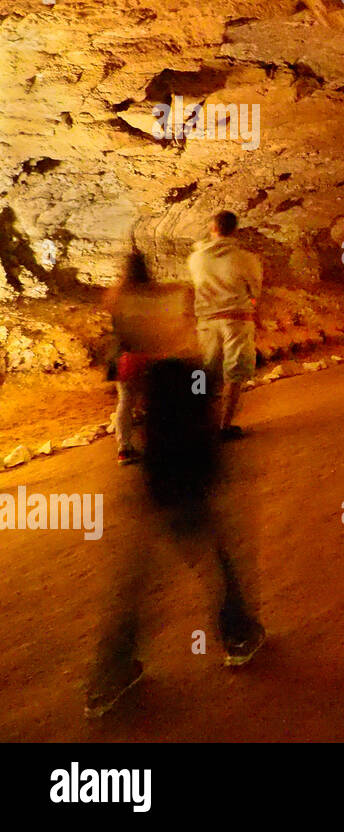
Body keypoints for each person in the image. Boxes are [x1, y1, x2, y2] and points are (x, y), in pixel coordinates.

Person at [85, 358, 265, 718]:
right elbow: (201, 420)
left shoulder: (152, 370)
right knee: (216, 555)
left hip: (157, 478)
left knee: (138, 579)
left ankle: (111, 673)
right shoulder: (190, 372)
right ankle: (238, 633)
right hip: (187, 477)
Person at [105, 251, 191, 465]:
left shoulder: (117, 295)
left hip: (125, 356)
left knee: (125, 401)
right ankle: (163, 444)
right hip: (150, 355)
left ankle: (124, 447)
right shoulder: (153, 294)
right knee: (156, 401)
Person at [188, 212, 262, 440]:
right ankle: (224, 426)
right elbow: (255, 291)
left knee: (204, 372)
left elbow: (195, 285)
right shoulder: (245, 258)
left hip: (207, 321)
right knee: (233, 372)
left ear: (212, 228)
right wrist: (250, 303)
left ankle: (196, 423)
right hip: (237, 319)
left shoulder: (196, 258)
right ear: (234, 229)